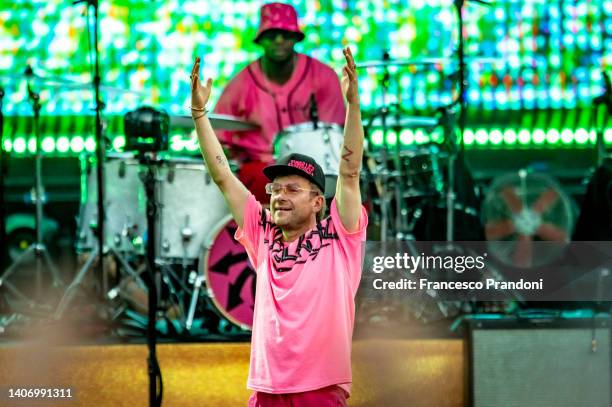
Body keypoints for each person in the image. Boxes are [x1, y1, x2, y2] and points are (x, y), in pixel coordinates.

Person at [190, 46, 366, 406]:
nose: (279, 196)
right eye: (275, 188)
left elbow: (348, 173)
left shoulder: (339, 237)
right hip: (265, 392)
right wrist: (199, 115)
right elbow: (223, 176)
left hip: (319, 391)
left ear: (319, 202)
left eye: (292, 189)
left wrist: (353, 106)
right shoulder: (264, 235)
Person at [214, 2, 346, 203]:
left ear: (296, 37)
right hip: (261, 170)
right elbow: (218, 137)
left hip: (316, 169)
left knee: (349, 188)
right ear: (260, 39)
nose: (278, 40)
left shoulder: (323, 76)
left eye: (285, 34)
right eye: (271, 34)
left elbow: (335, 138)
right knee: (258, 181)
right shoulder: (241, 84)